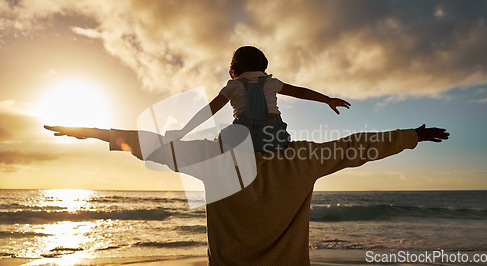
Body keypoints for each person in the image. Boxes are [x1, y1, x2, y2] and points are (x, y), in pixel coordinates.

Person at [45, 123, 449, 265]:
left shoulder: (210, 159)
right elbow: (358, 145)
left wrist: (94, 132)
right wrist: (410, 136)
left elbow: (147, 142)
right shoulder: (304, 157)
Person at [164, 46, 351, 152]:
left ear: (234, 68)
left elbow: (209, 110)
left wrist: (182, 131)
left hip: (242, 140)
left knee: (219, 140)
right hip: (274, 139)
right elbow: (300, 93)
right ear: (263, 66)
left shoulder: (233, 86)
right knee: (285, 140)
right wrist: (328, 100)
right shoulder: (272, 83)